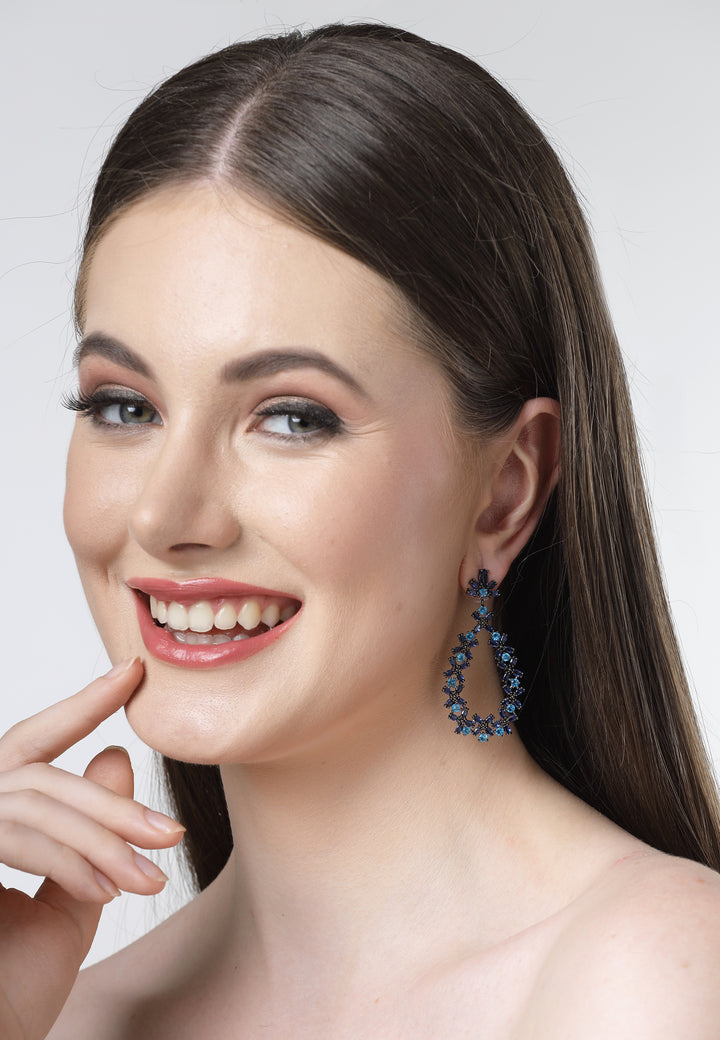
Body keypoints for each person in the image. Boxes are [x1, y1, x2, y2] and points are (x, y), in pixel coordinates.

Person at [1, 21, 719, 1039]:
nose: (165, 516)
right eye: (124, 406)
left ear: (506, 490)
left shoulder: (649, 981)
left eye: (293, 417)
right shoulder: (59, 1013)